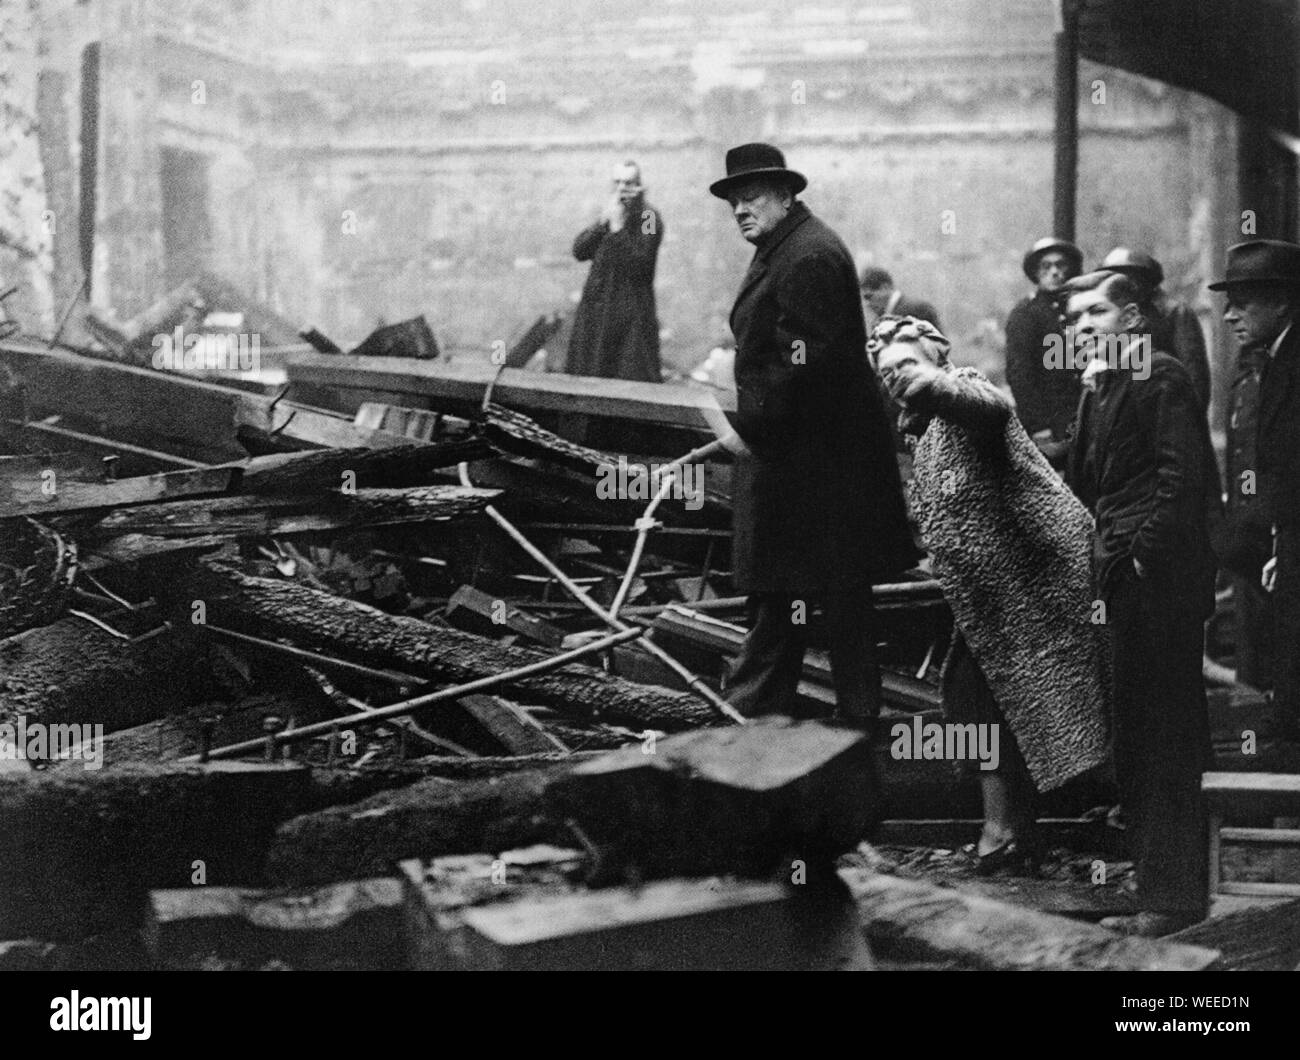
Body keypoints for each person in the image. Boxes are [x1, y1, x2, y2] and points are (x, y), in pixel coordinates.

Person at [870, 315, 1108, 873]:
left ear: (939, 361)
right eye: (886, 373)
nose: (896, 378)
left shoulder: (966, 402)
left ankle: (1116, 820)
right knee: (975, 705)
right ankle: (1007, 831)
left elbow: (992, 406)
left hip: (1047, 589)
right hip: (994, 607)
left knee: (1081, 706)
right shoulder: (924, 433)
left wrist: (938, 384)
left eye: (906, 364)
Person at [708, 142, 917, 727]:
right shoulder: (791, 248)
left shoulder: (805, 257)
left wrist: (747, 424)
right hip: (817, 468)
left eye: (750, 198)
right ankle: (850, 736)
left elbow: (809, 360)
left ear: (785, 194)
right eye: (733, 202)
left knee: (790, 604)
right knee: (831, 605)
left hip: (814, 472)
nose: (740, 211)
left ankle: (750, 749)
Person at [1064, 270, 1217, 937]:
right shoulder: (1101, 388)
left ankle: (1173, 899)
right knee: (1140, 734)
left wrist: (1140, 559)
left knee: (1162, 738)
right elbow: (1090, 486)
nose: (1083, 325)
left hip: (1156, 586)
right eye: (1074, 317)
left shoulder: (1161, 377)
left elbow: (1181, 485)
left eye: (1096, 311)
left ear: (1130, 318)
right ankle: (1164, 885)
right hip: (1122, 584)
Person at [1211, 239, 1300, 740]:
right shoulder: (1274, 357)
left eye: (1241, 302)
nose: (1228, 316)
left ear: (1283, 301)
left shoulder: (1291, 361)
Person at [566, 160, 663, 382]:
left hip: (630, 314)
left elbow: (642, 262)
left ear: (639, 186)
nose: (622, 189)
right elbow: (580, 251)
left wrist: (618, 229)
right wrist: (602, 223)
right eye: (617, 182)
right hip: (597, 311)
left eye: (628, 183)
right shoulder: (610, 213)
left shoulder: (648, 217)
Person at [1101, 247, 1211, 412]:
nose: (1125, 285)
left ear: (1147, 280)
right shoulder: (1116, 316)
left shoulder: (1174, 312)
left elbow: (1195, 378)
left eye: (1130, 277)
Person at [1005, 237, 1083, 468]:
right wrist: (1040, 427)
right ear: (1035, 274)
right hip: (1050, 420)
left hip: (1083, 415)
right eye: (1046, 267)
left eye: (1061, 266)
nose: (1055, 272)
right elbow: (1020, 376)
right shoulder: (1025, 314)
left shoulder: (1081, 310)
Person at [858, 266, 942, 332]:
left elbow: (940, 346)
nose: (867, 304)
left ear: (885, 288)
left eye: (869, 297)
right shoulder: (877, 322)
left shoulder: (919, 309)